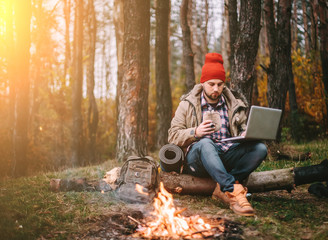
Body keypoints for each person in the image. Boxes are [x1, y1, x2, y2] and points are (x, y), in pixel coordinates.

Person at [168, 53, 267, 216]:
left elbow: (242, 129)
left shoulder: (234, 104)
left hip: (226, 155)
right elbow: (173, 135)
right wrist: (195, 132)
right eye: (211, 84)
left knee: (260, 148)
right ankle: (232, 192)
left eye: (220, 84)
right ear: (203, 82)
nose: (216, 89)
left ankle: (222, 187)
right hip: (198, 159)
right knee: (206, 143)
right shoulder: (187, 104)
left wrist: (245, 134)